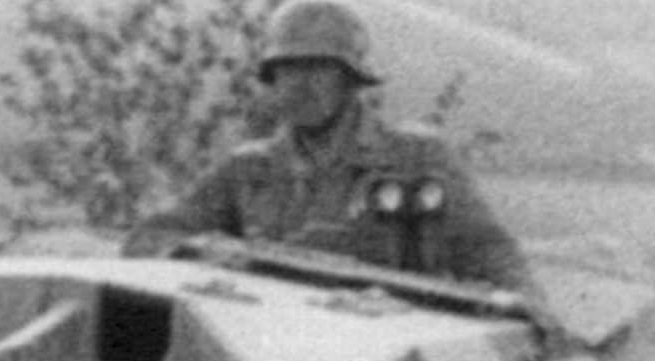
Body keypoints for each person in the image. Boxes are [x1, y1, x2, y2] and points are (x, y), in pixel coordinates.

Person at [121, 0, 541, 297]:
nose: (301, 85)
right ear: (272, 79)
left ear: (350, 79)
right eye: (288, 69)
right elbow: (150, 237)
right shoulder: (249, 169)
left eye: (318, 69)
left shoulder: (416, 158)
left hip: (390, 353)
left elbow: (489, 251)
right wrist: (202, 252)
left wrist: (533, 312)